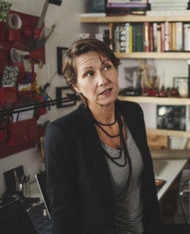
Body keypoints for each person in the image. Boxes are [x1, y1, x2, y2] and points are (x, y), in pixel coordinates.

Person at [44, 39, 161, 234]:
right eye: (89, 73)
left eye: (106, 67)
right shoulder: (62, 133)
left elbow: (147, 186)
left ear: (116, 69)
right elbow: (63, 213)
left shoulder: (132, 113)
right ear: (76, 86)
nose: (102, 80)